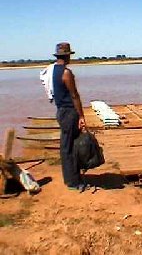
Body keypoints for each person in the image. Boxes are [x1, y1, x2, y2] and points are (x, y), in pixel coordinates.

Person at [52, 42, 86, 190]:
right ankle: (73, 181)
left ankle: (72, 177)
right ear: (67, 56)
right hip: (69, 112)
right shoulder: (66, 73)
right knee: (69, 147)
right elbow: (74, 95)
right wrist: (81, 116)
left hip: (61, 111)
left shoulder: (54, 70)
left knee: (67, 145)